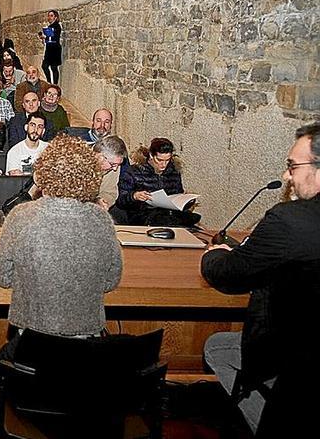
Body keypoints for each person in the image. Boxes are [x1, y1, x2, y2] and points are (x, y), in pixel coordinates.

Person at [202, 123, 320, 436]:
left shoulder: (291, 220)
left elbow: (227, 274)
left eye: (293, 166)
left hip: (293, 361)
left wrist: (214, 253)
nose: (286, 176)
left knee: (217, 348)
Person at [0, 134, 120, 361]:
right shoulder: (102, 220)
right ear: (90, 176)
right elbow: (110, 280)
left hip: (32, 343)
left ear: (43, 173)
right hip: (84, 346)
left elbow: (1, 276)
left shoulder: (21, 216)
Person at [116, 137, 200, 226]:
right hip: (142, 215)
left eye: (167, 160)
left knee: (192, 218)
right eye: (159, 160)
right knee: (164, 221)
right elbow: (120, 201)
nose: (163, 164)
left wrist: (185, 200)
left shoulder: (173, 172)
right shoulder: (133, 172)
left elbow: (177, 194)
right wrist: (134, 196)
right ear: (151, 155)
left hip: (169, 213)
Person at [92, 135, 127, 212]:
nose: (115, 169)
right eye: (113, 164)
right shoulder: (78, 163)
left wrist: (102, 201)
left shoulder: (114, 165)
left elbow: (110, 192)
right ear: (99, 157)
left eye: (118, 164)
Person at [39, 10, 62, 84]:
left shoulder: (57, 26)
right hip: (49, 49)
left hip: (55, 50)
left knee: (54, 68)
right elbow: (48, 40)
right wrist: (43, 38)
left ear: (55, 17)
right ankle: (49, 82)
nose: (49, 17)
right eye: (49, 16)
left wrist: (46, 37)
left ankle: (55, 84)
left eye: (51, 16)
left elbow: (54, 38)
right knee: (44, 66)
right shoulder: (49, 27)